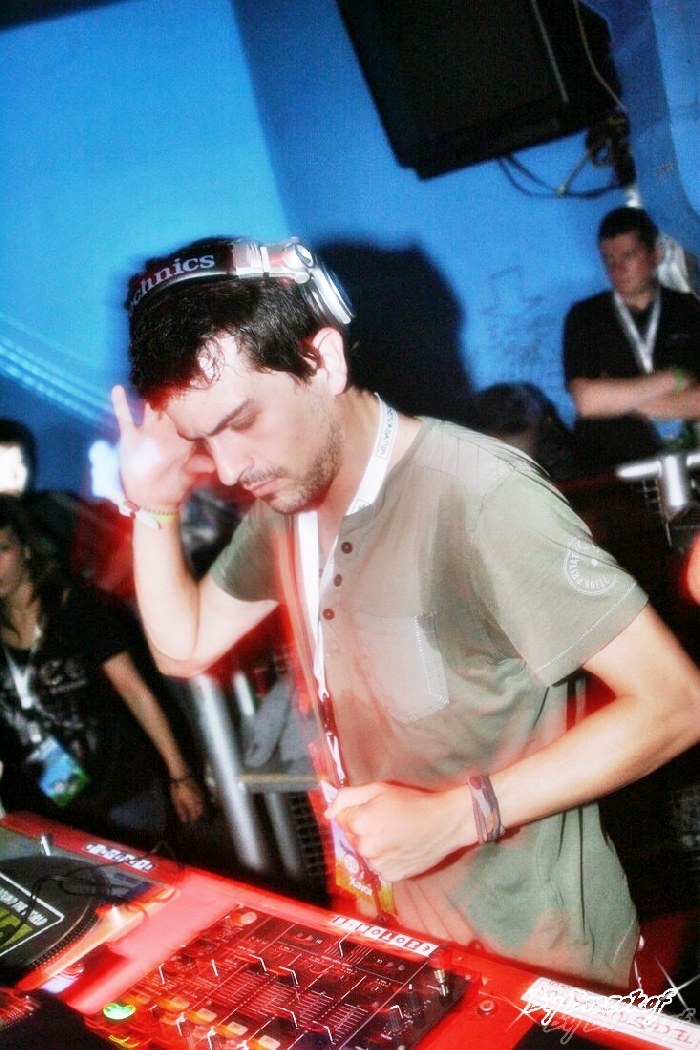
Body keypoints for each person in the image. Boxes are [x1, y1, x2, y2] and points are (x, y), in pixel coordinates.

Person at [111, 235, 700, 989]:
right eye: (203, 439)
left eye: (241, 421)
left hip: (535, 971)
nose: (227, 468)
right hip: (394, 952)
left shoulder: (478, 498)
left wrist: (460, 817)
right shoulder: (287, 502)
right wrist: (154, 505)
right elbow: (184, 645)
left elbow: (676, 703)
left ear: (323, 361)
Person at [0, 494, 205, 849]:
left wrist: (180, 775)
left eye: (2, 550)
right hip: (49, 811)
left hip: (122, 793)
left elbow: (135, 692)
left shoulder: (76, 608)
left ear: (26, 550)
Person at [563, 206, 700, 475]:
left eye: (628, 256)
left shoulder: (689, 311)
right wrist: (673, 379)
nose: (617, 269)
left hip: (686, 468)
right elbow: (587, 402)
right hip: (612, 474)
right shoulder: (585, 316)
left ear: (655, 255)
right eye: (608, 260)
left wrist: (616, 399)